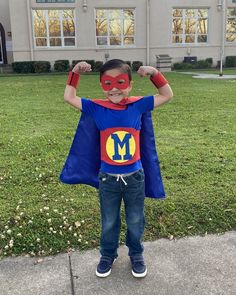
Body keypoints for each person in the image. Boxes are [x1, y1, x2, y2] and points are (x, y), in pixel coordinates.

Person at [64, 59, 173, 278]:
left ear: (130, 84)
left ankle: (136, 253)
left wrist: (154, 73)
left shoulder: (138, 105)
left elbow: (166, 94)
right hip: (108, 179)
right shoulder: (96, 108)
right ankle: (107, 254)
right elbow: (69, 97)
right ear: (102, 85)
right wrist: (75, 72)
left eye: (120, 82)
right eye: (107, 83)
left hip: (135, 177)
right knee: (109, 220)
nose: (114, 88)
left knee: (135, 219)